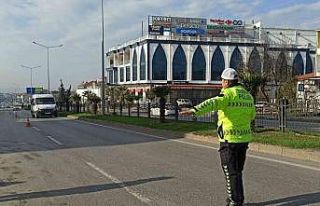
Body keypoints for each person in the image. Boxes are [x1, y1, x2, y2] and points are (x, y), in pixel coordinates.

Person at [180, 68, 256, 206]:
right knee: (237, 172)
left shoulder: (227, 94)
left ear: (227, 81)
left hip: (229, 140)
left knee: (230, 172)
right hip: (244, 139)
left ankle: (234, 201)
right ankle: (237, 198)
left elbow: (212, 103)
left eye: (222, 80)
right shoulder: (248, 96)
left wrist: (194, 110)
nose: (221, 83)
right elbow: (252, 116)